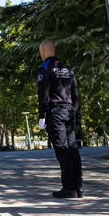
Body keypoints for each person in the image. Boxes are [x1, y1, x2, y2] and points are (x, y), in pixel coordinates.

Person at [37, 40, 83, 198]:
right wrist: (74, 111)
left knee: (62, 150)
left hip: (55, 112)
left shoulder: (45, 68)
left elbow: (44, 93)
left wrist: (42, 115)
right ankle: (78, 186)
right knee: (72, 148)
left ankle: (69, 188)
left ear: (43, 51)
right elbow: (75, 92)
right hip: (69, 111)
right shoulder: (67, 68)